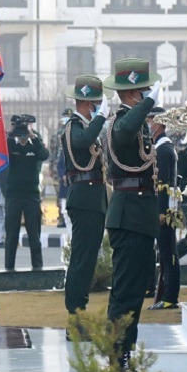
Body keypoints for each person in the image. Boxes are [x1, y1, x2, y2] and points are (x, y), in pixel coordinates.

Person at [101, 58, 162, 372]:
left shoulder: (131, 122)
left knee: (135, 292)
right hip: (129, 213)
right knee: (125, 295)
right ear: (135, 92)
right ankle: (116, 361)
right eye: (145, 91)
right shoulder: (122, 122)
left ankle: (125, 357)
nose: (148, 95)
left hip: (138, 214)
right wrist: (149, 104)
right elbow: (126, 133)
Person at [61, 75, 109, 323]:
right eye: (98, 104)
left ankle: (80, 311)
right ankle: (75, 315)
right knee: (81, 260)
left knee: (87, 260)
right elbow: (82, 141)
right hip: (83, 200)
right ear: (89, 104)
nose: (99, 108)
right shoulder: (73, 127)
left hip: (93, 200)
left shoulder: (84, 126)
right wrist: (100, 118)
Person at [4, 114, 48, 272]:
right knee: (11, 235)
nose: (22, 136)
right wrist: (11, 134)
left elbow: (44, 155)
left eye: (24, 132)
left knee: (34, 235)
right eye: (20, 133)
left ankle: (38, 267)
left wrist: (32, 136)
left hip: (31, 195)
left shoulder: (34, 145)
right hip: (13, 195)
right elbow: (2, 154)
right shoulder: (11, 146)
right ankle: (9, 268)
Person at [149, 108, 181, 310]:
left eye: (149, 120)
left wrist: (161, 211)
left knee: (168, 253)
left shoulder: (163, 149)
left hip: (166, 209)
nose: (147, 125)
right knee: (165, 251)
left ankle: (170, 296)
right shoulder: (161, 146)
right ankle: (167, 293)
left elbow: (164, 183)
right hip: (166, 207)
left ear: (159, 123)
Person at [51, 108, 72, 228]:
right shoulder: (57, 134)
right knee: (60, 193)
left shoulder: (71, 132)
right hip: (58, 168)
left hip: (67, 166)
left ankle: (66, 216)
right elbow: (52, 151)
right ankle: (61, 217)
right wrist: (51, 167)